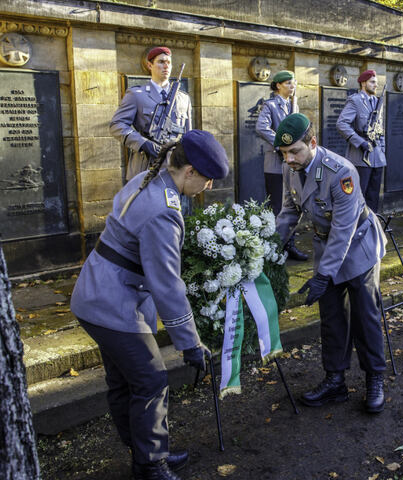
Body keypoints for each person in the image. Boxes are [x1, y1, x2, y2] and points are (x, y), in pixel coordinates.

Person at [70, 130, 229, 480]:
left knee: (124, 380)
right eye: (207, 179)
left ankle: (145, 451)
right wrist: (190, 343)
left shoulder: (151, 176)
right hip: (112, 302)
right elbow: (167, 285)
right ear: (189, 171)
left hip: (98, 291)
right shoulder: (164, 212)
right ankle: (150, 465)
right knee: (151, 380)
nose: (209, 187)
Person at [275, 113, 388, 413]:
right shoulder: (291, 169)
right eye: (284, 153)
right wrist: (269, 248)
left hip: (359, 247)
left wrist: (323, 275)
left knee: (365, 316)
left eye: (295, 151)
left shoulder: (341, 172)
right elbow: (289, 211)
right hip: (326, 247)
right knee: (332, 317)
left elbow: (343, 230)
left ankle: (374, 378)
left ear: (312, 143)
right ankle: (335, 380)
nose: (289, 159)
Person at [110, 46, 192, 183]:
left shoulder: (183, 98)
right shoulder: (137, 95)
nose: (165, 66)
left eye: (168, 63)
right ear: (150, 65)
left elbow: (188, 134)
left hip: (175, 171)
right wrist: (144, 144)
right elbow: (117, 125)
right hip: (145, 167)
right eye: (161, 62)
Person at [255, 70, 308, 261]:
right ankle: (275, 247)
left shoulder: (294, 105)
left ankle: (290, 244)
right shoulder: (270, 106)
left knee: (294, 204)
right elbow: (261, 127)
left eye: (293, 83)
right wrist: (281, 144)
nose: (292, 86)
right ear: (278, 85)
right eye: (287, 83)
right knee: (277, 206)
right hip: (276, 164)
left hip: (293, 164)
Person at [336, 69, 386, 212]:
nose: (376, 85)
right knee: (359, 195)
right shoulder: (355, 100)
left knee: (374, 196)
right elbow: (341, 124)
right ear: (363, 83)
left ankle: (371, 225)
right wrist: (360, 142)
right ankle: (357, 228)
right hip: (360, 156)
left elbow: (380, 129)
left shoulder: (377, 102)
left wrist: (382, 150)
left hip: (377, 156)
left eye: (376, 82)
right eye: (372, 82)